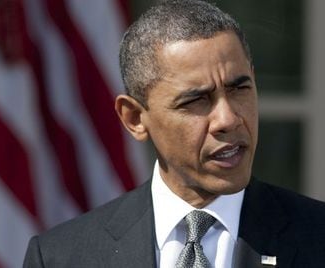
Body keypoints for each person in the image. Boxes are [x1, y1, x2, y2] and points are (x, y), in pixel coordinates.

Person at [23, 0, 325, 267]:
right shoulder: (61, 257)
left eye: (239, 88)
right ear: (135, 118)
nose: (228, 119)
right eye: (196, 100)